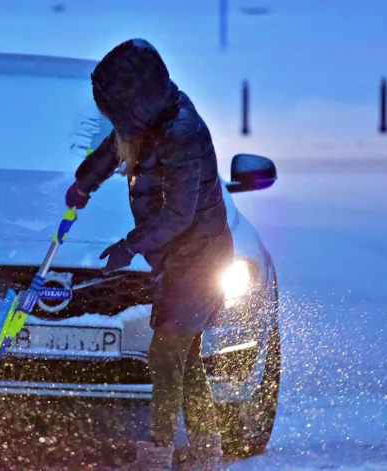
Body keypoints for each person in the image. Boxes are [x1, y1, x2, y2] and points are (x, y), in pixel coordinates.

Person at [65, 38, 234, 471]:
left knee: (164, 355)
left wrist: (129, 245)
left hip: (199, 260)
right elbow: (114, 149)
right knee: (184, 357)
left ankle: (159, 453)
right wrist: (85, 183)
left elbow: (179, 214)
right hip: (180, 261)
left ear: (136, 102)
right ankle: (207, 449)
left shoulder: (182, 134)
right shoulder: (149, 122)